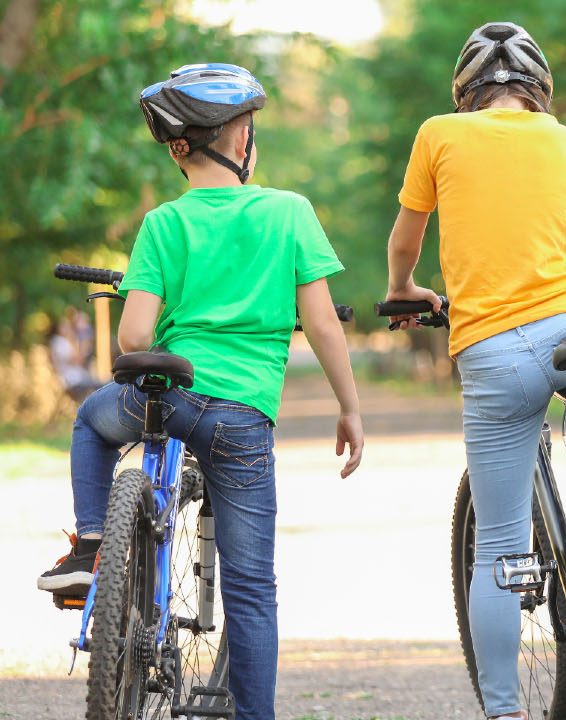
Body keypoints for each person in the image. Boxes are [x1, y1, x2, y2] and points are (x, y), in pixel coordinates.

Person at [35, 63, 364, 720]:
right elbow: (323, 323)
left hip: (162, 396)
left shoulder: (163, 223)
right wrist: (349, 407)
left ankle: (94, 547)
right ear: (240, 141)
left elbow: (133, 335)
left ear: (178, 149)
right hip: (241, 417)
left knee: (91, 424)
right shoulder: (289, 213)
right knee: (250, 589)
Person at [382, 22, 566, 720]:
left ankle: (505, 712)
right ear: (538, 91)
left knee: (500, 545)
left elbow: (406, 239)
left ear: (466, 92)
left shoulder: (437, 134)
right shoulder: (564, 138)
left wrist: (406, 288)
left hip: (493, 350)